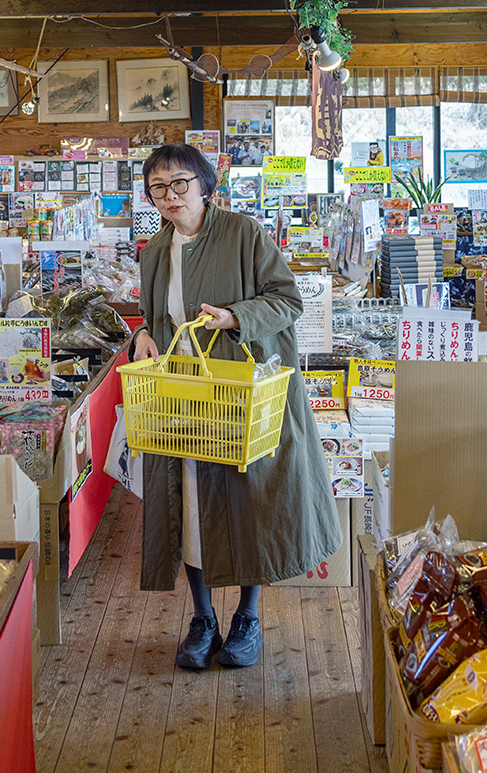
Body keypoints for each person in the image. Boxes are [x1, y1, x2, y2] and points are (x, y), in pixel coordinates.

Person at [126, 143, 344, 671]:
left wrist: (234, 316)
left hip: (242, 395)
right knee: (192, 505)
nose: (171, 195)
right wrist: (143, 337)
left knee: (248, 503)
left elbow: (288, 300)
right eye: (159, 187)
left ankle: (247, 616)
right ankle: (202, 618)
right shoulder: (154, 251)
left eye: (181, 183)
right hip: (183, 397)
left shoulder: (244, 233)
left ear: (205, 185)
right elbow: (156, 317)